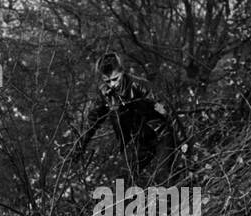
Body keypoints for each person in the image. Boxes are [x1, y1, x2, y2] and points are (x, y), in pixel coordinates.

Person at [73, 51, 183, 184]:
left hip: (161, 135)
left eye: (115, 79)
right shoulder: (105, 95)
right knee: (122, 181)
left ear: (122, 72)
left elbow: (167, 111)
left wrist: (184, 142)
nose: (112, 84)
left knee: (163, 176)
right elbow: (92, 123)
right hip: (140, 141)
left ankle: (184, 193)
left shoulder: (140, 86)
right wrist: (78, 149)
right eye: (107, 81)